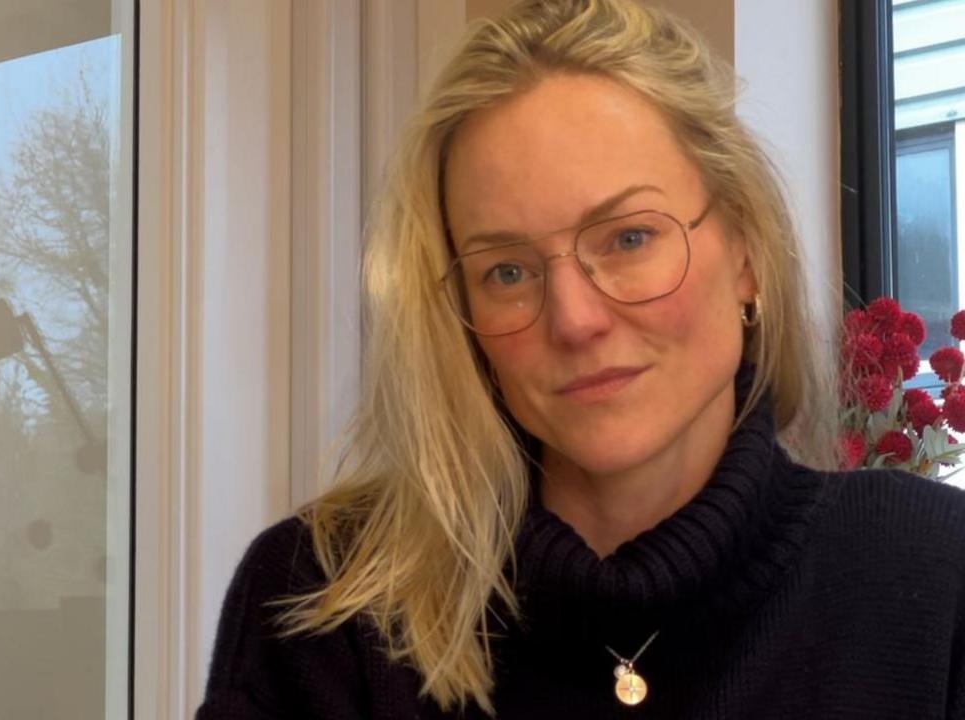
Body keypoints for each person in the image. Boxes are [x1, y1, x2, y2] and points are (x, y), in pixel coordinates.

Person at [197, 0, 965, 717]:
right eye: (507, 270)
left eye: (629, 238)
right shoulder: (320, 602)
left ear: (747, 254)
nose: (574, 318)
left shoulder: (935, 580)